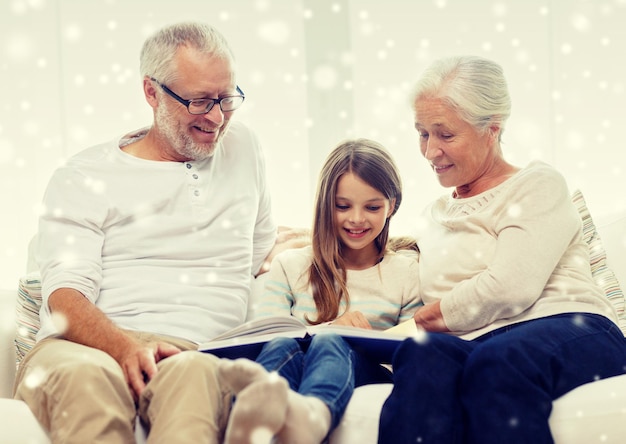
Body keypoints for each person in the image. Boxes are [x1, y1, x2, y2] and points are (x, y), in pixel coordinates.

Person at [12, 21, 296, 443]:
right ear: (151, 92)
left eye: (226, 98)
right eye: (200, 101)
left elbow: (255, 251)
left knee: (197, 374)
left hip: (192, 351)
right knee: (88, 379)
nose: (217, 118)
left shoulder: (244, 150)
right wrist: (126, 346)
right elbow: (64, 300)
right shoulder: (84, 176)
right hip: (85, 347)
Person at [377, 55, 626, 444]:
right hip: (476, 342)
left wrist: (429, 318)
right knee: (421, 357)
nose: (429, 151)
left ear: (491, 129)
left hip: (571, 326)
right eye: (422, 133)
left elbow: (512, 285)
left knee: (498, 363)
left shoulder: (536, 184)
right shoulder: (434, 216)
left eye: (444, 134)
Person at [217, 138, 423, 444]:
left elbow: (409, 356)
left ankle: (312, 418)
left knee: (329, 342)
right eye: (342, 206)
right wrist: (332, 326)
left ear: (391, 205)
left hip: (366, 371)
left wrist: (349, 338)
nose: (356, 218)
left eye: (372, 206)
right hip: (294, 360)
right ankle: (253, 424)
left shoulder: (407, 271)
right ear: (326, 204)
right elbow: (265, 337)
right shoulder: (290, 265)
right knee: (278, 348)